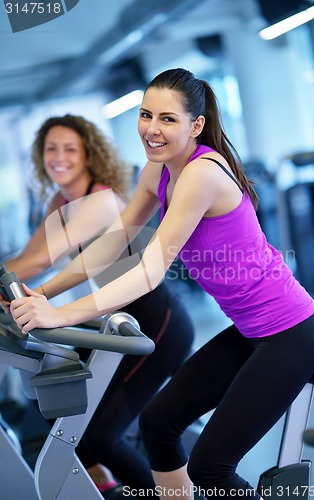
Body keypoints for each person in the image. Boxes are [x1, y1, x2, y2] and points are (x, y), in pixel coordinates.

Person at [8, 69, 314, 499]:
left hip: (294, 333)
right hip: (252, 332)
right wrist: (43, 293)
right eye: (146, 115)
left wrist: (61, 313)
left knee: (212, 468)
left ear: (196, 125)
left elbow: (148, 270)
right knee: (158, 424)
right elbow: (114, 243)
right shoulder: (157, 171)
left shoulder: (201, 174)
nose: (152, 129)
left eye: (167, 119)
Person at [0, 113, 194, 496]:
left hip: (158, 322)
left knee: (102, 436)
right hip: (118, 320)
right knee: (64, 413)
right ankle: (101, 484)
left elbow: (42, 263)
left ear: (88, 154)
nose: (59, 157)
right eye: (51, 149)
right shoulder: (62, 199)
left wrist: (22, 286)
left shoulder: (101, 201)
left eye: (70, 149)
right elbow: (28, 256)